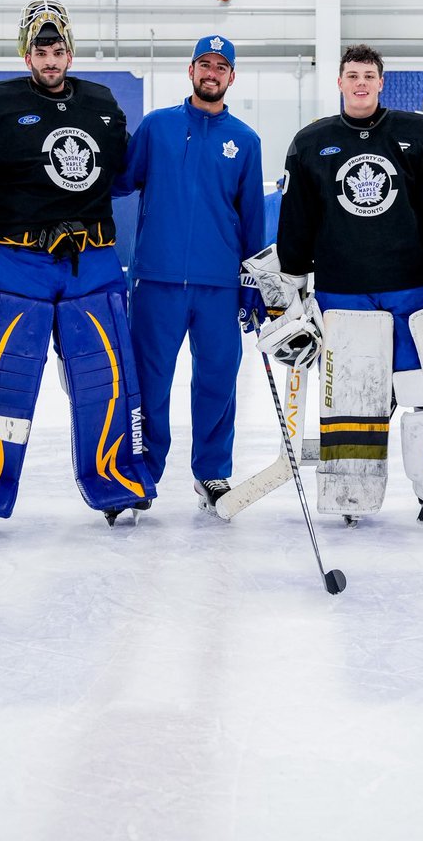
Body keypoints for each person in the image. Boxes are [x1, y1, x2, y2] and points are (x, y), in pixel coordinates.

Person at [0, 0, 155, 532]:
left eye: (59, 48)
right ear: (27, 54)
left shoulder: (102, 104)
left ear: (71, 51)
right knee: (2, 383)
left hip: (92, 264)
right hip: (18, 263)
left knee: (108, 383)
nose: (50, 58)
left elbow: (119, 175)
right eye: (41, 49)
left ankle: (118, 484)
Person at [245, 43, 423, 530]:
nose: (360, 83)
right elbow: (297, 222)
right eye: (351, 75)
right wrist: (288, 286)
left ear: (382, 82)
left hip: (411, 290)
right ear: (339, 83)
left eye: (368, 76)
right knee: (353, 400)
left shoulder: (418, 133)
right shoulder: (311, 143)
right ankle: (350, 491)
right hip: (343, 292)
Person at [115, 35, 265, 514]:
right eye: (205, 64)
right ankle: (141, 471)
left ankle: (212, 474)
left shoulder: (245, 140)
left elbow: (252, 221)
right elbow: (119, 181)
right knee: (150, 383)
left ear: (232, 76)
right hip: (156, 281)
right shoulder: (157, 127)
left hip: (219, 286)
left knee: (218, 381)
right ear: (191, 70)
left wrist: (252, 282)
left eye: (222, 66)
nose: (212, 72)